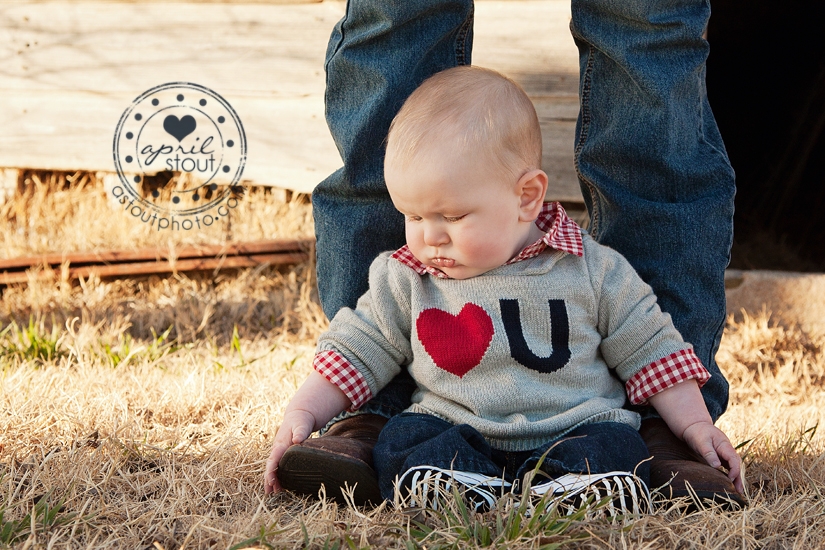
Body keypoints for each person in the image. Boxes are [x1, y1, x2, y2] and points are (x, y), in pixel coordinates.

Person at [272, 0, 744, 508]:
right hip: (455, 424)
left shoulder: (591, 268)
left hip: (574, 425)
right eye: (412, 216)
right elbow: (356, 348)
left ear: (526, 197)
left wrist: (694, 423)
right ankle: (450, 479)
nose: (429, 237)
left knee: (612, 443)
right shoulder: (408, 276)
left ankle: (585, 481)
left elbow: (652, 349)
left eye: (451, 217)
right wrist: (304, 412)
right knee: (412, 438)